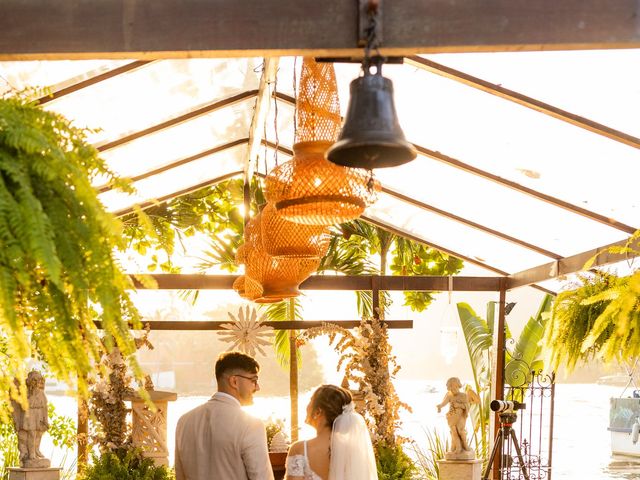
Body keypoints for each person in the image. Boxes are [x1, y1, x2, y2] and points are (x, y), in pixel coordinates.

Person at [175, 351, 274, 480]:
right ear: (234, 381)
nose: (257, 387)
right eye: (253, 380)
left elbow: (180, 476)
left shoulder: (184, 421)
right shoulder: (251, 425)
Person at [285, 384, 377, 480]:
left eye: (310, 401)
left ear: (318, 411)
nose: (307, 406)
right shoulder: (354, 451)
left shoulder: (300, 449)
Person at [11, 370, 50, 468]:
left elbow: (45, 407)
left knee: (39, 433)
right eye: (34, 381)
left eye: (38, 381)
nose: (37, 383)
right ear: (30, 382)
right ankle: (31, 454)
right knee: (32, 434)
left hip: (39, 415)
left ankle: (36, 450)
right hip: (30, 416)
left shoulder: (41, 393)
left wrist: (45, 419)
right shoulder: (26, 393)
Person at [436, 376, 479, 458]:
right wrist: (440, 406)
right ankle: (457, 447)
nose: (452, 389)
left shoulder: (463, 396)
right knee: (453, 431)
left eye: (454, 387)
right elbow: (444, 403)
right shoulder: (449, 395)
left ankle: (465, 446)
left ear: (458, 386)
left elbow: (467, 406)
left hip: (461, 417)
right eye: (450, 388)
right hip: (452, 416)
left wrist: (459, 405)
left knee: (460, 430)